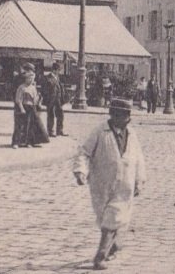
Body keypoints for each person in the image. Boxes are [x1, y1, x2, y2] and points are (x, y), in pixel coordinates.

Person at [74, 98, 147, 270]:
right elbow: (84, 152)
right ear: (114, 115)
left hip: (125, 184)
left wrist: (140, 180)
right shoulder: (100, 132)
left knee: (113, 218)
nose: (126, 119)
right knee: (104, 218)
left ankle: (100, 256)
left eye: (128, 116)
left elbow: (138, 159)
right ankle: (113, 245)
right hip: (102, 184)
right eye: (123, 115)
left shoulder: (132, 134)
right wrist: (80, 171)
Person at [12, 64, 49, 148]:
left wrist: (39, 100)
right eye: (29, 78)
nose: (31, 80)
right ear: (26, 79)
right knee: (20, 125)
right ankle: (16, 143)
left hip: (31, 108)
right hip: (23, 107)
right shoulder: (21, 87)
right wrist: (21, 109)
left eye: (32, 79)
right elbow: (18, 99)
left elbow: (35, 100)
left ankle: (29, 142)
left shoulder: (33, 88)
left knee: (30, 126)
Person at [43, 62, 66, 138]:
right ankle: (50, 131)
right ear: (54, 70)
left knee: (60, 115)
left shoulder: (57, 77)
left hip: (58, 99)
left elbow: (60, 88)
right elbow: (45, 90)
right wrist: (47, 100)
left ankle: (59, 130)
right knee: (51, 115)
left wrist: (62, 98)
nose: (59, 72)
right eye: (58, 70)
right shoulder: (47, 78)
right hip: (51, 100)